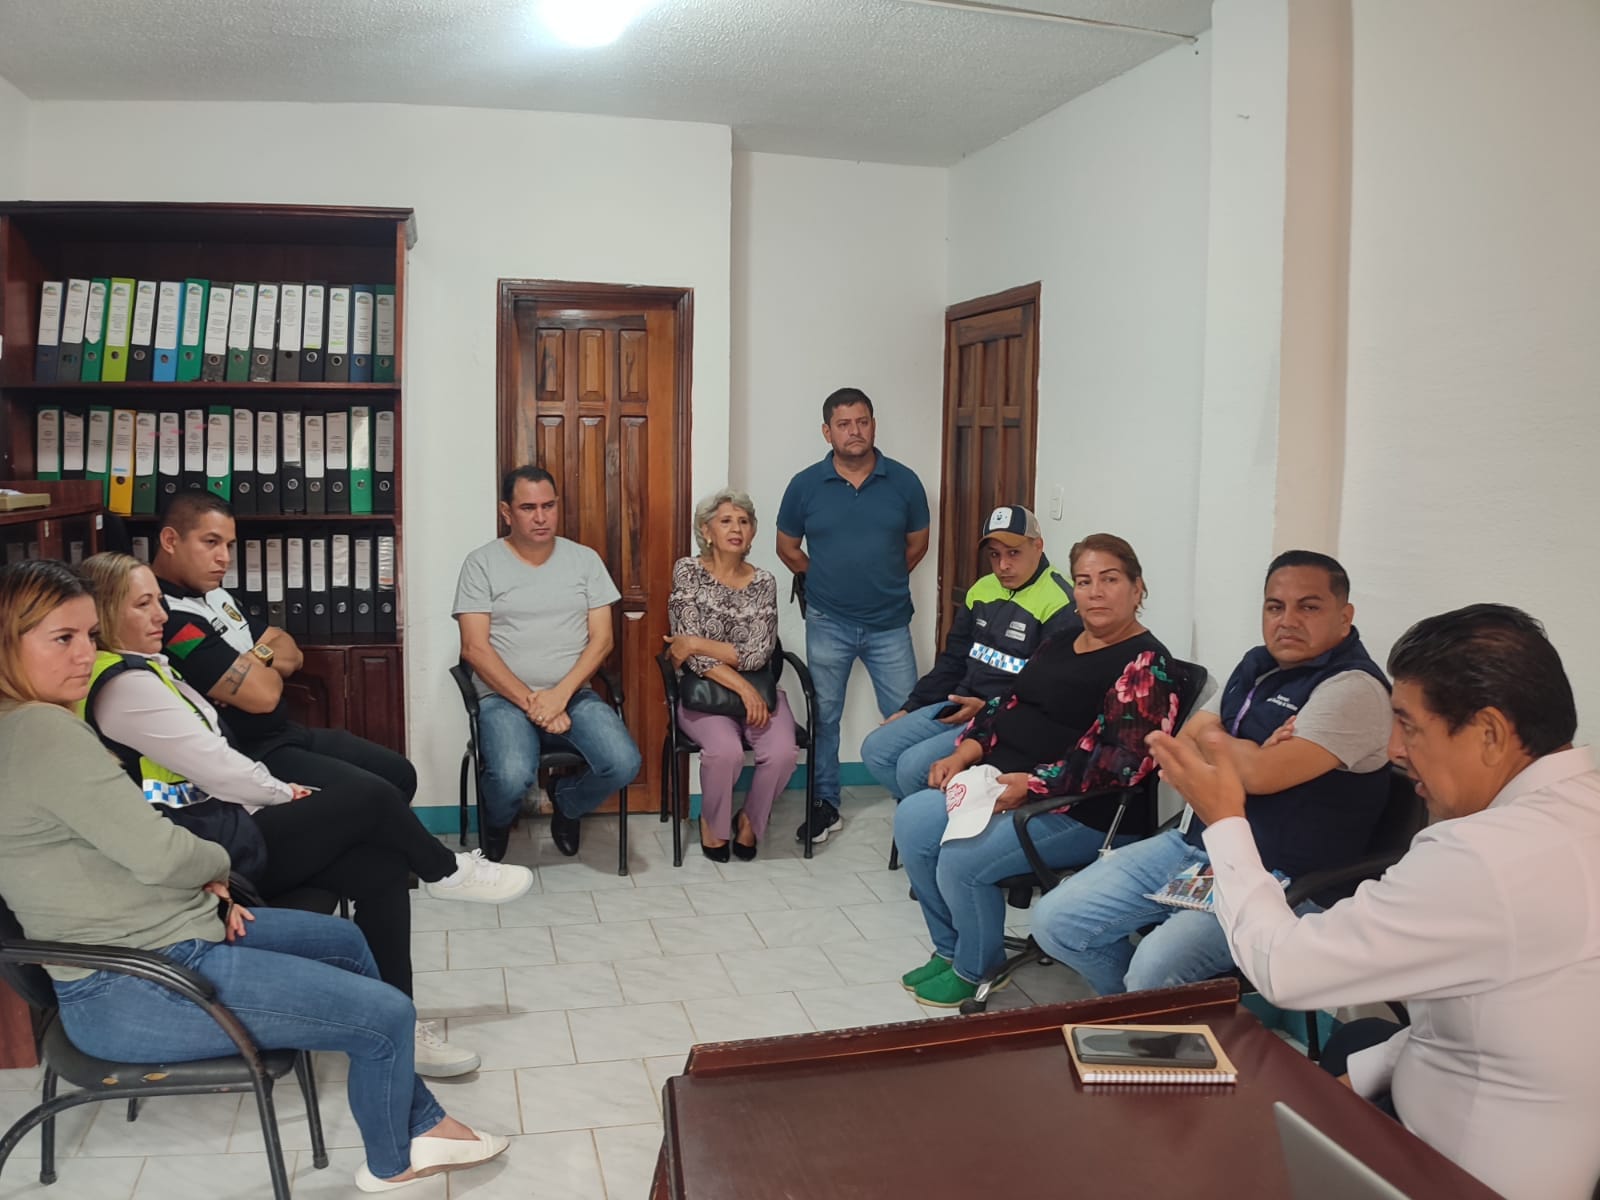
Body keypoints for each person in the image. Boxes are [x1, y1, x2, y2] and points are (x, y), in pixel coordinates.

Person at [0, 560, 508, 1193]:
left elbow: (122, 847)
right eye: (62, 638)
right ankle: (394, 1163)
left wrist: (200, 892)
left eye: (88, 635)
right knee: (384, 1016)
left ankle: (424, 1123)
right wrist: (214, 869)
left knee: (346, 942)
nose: (85, 654)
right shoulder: (45, 733)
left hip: (160, 942)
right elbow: (159, 853)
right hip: (135, 986)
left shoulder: (31, 720)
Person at [1149, 604, 1600, 1200]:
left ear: (1490, 734)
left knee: (1210, 1162)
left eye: (1409, 725)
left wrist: (1225, 818)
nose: (1394, 749)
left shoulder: (1484, 857)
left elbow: (1285, 968)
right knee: (1351, 1047)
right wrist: (1358, 1078)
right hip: (1493, 1105)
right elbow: (1493, 1007)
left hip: (1452, 1173)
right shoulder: (1579, 804)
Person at [77, 552, 533, 1077]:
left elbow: (211, 764)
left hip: (227, 825)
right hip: (213, 857)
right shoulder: (126, 686)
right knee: (369, 797)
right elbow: (215, 766)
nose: (161, 615)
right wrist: (280, 793)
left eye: (158, 601)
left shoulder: (150, 667)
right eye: (143, 604)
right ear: (105, 612)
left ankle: (398, 1024)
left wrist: (276, 793)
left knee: (380, 867)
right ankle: (446, 871)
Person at [1031, 550, 1392, 995]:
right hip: (1199, 845)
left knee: (1153, 969)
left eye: (1309, 607)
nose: (1288, 621)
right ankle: (1147, 1013)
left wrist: (1225, 746)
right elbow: (1181, 748)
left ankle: (1154, 1013)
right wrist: (1248, 750)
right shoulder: (1257, 665)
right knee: (1055, 920)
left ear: (1345, 616)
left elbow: (1259, 775)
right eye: (1275, 607)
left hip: (1280, 876)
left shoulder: (1353, 688)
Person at [893, 534, 1179, 1008]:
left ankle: (976, 968)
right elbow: (1007, 702)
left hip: (1081, 811)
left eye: (1109, 580)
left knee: (962, 857)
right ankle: (950, 949)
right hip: (1001, 783)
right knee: (913, 821)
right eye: (1084, 581)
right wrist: (965, 753)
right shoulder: (1062, 642)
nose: (1095, 592)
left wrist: (1034, 785)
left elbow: (1123, 761)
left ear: (1137, 588)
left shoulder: (1145, 664)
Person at [150, 491, 422, 848]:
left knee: (398, 772)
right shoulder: (167, 617)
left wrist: (251, 659)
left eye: (229, 545)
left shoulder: (216, 595)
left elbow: (291, 652)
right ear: (170, 540)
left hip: (285, 732)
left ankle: (374, 861)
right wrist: (260, 665)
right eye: (211, 542)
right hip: (249, 751)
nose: (224, 558)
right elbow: (263, 696)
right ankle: (416, 867)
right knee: (374, 795)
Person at [454, 466, 642, 861]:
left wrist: (559, 696)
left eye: (549, 506)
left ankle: (567, 802)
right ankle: (498, 820)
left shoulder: (584, 560)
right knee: (511, 776)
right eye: (528, 508)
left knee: (623, 763)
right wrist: (535, 703)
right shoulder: (481, 563)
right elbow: (474, 648)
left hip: (572, 695)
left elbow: (603, 640)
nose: (541, 517)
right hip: (503, 699)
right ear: (507, 513)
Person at [776, 387, 931, 845]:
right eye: (844, 424)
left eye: (862, 422)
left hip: (890, 623)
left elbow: (918, 543)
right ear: (827, 432)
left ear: (874, 425)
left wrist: (884, 577)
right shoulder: (805, 484)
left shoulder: (904, 482)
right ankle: (825, 805)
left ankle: (913, 806)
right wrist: (824, 577)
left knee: (906, 718)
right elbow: (787, 547)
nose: (854, 431)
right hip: (828, 621)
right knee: (825, 717)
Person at [863, 505, 1077, 804]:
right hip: (960, 703)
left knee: (912, 768)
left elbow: (1045, 693)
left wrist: (988, 709)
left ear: (1038, 546)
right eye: (994, 555)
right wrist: (912, 707)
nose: (1002, 565)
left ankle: (931, 818)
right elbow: (953, 659)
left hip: (1002, 717)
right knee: (876, 749)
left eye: (1013, 553)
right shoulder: (982, 589)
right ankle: (928, 813)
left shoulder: (1060, 601)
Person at [664, 489, 800, 862]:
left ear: (753, 532)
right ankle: (713, 823)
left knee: (783, 753)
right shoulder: (688, 571)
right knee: (725, 753)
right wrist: (743, 688)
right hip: (705, 693)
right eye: (725, 521)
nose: (736, 528)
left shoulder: (764, 581)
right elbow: (691, 660)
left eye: (743, 521)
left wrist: (696, 641)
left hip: (758, 689)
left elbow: (759, 653)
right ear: (707, 531)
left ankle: (750, 822)